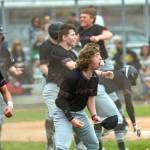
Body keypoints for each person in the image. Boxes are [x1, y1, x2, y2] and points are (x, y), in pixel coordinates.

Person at [78, 6, 123, 150]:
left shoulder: (97, 28)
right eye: (81, 17)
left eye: (84, 17)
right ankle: (107, 123)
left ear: (92, 18)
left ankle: (117, 118)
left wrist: (98, 37)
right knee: (96, 94)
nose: (82, 19)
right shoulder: (80, 31)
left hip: (103, 65)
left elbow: (108, 34)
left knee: (109, 92)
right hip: (91, 67)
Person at [53, 43, 103, 150]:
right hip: (63, 112)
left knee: (93, 145)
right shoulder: (72, 76)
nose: (101, 58)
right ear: (88, 59)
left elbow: (90, 98)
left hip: (79, 113)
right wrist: (71, 119)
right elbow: (60, 100)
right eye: (97, 55)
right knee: (62, 147)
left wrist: (94, 115)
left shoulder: (94, 78)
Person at [101, 65, 141, 150]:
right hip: (101, 91)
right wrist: (134, 123)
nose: (130, 83)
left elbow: (113, 95)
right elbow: (128, 104)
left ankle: (97, 145)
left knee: (100, 118)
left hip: (96, 90)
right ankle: (121, 148)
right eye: (130, 79)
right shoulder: (124, 79)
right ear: (128, 74)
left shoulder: (117, 74)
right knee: (119, 119)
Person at [39, 22, 63, 150]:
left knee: (71, 110)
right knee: (51, 114)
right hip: (50, 83)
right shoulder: (45, 46)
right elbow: (43, 67)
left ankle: (79, 144)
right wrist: (55, 77)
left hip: (64, 83)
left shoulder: (63, 45)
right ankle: (50, 143)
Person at [0, 25, 22, 148]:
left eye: (1, 35)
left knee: (0, 119)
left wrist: (15, 71)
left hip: (2, 84)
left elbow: (10, 65)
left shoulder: (4, 50)